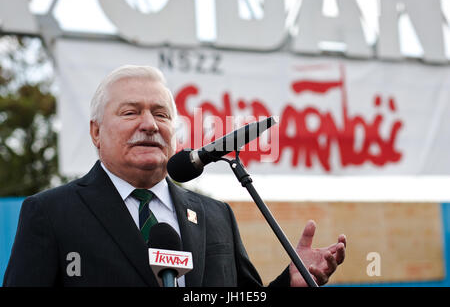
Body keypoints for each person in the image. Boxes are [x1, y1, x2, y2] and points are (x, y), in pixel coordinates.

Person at [3, 65, 346, 287]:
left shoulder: (217, 216)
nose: (149, 124)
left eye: (161, 114)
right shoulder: (50, 213)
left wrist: (290, 282)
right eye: (131, 112)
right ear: (96, 132)